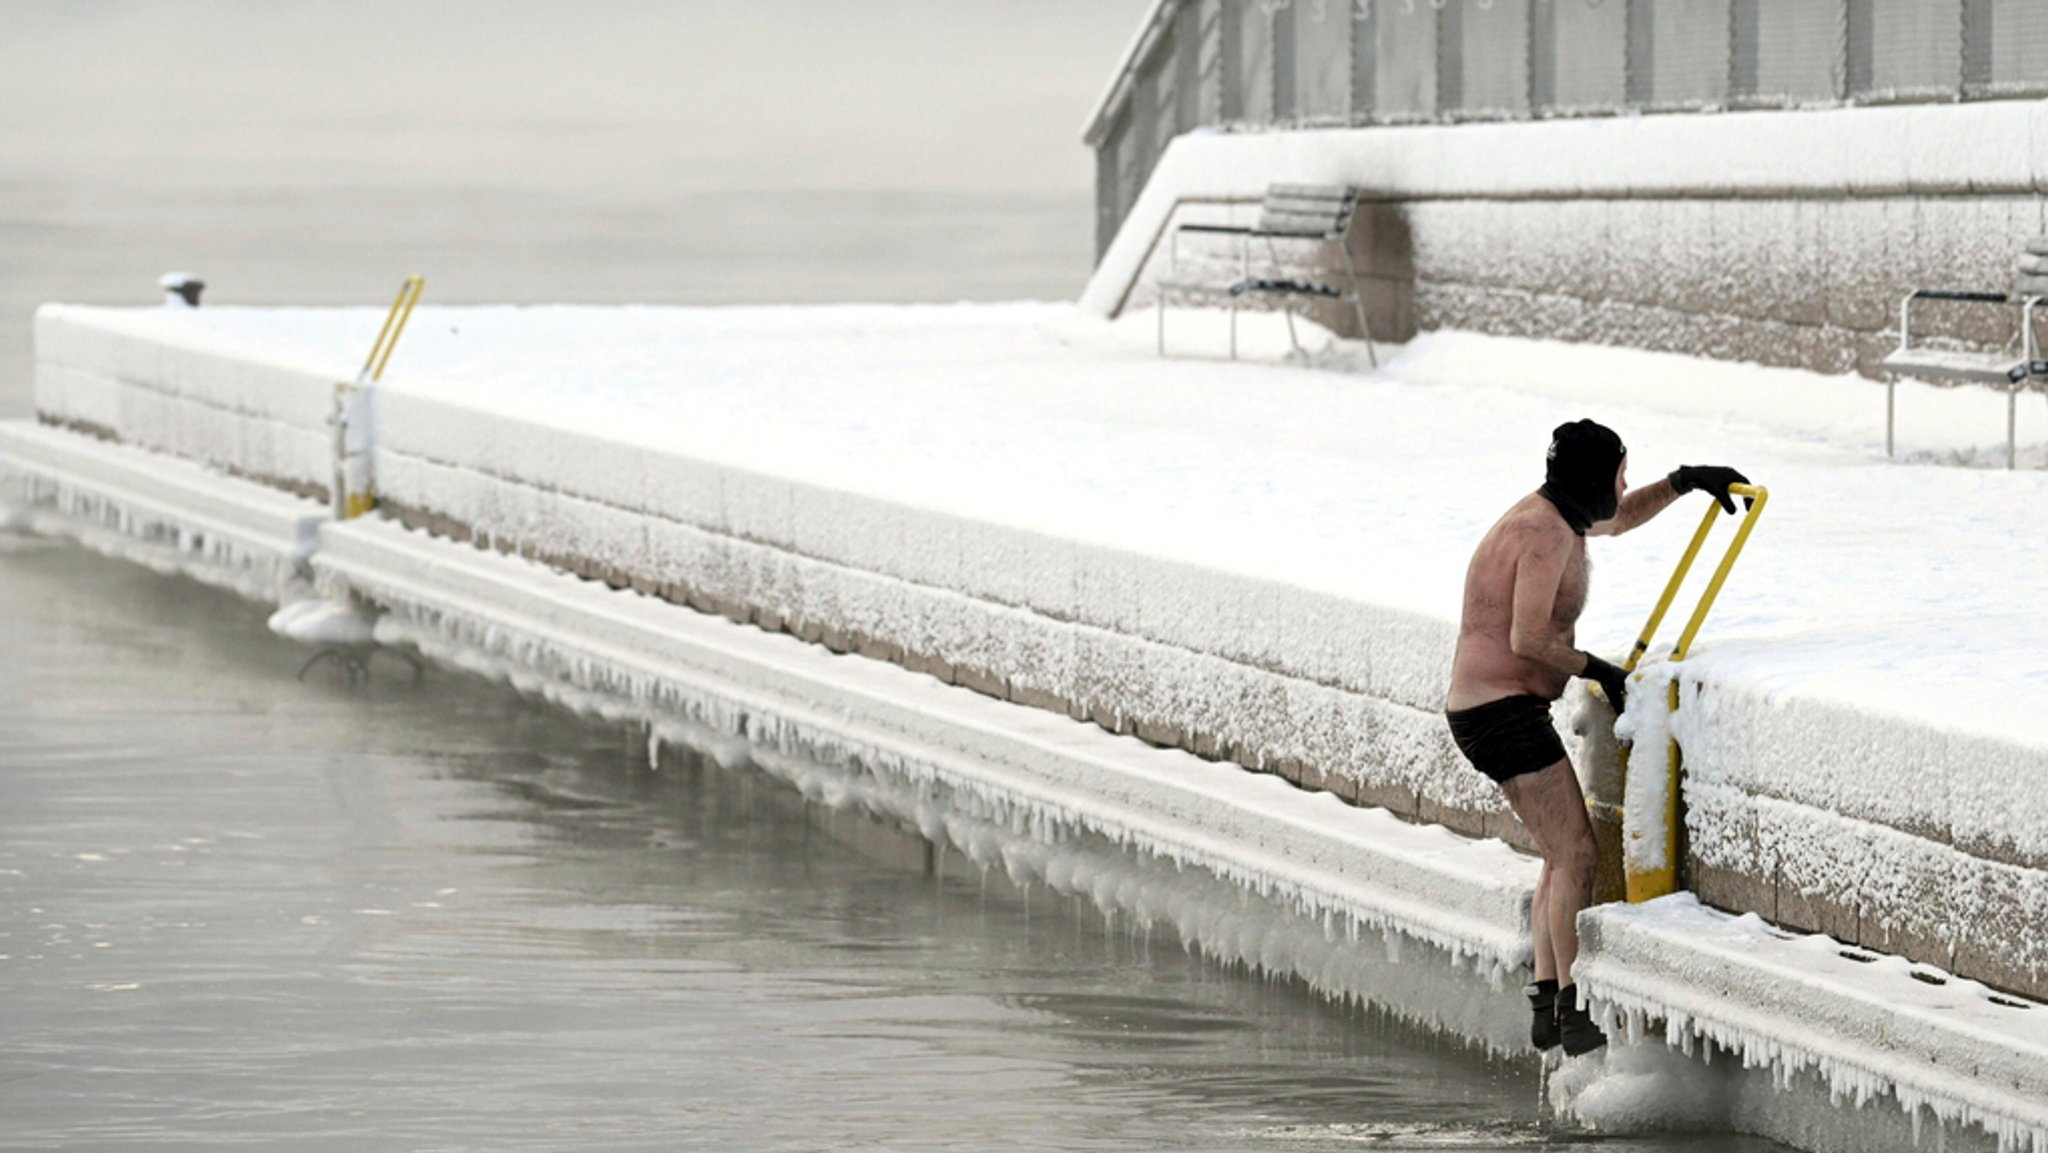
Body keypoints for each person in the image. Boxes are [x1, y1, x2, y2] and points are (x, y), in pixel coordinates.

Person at [1445, 419, 1747, 1056]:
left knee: (1560, 855)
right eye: (1619, 473)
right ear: (1592, 478)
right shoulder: (1542, 533)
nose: (1625, 485)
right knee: (1577, 855)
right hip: (1499, 713)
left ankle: (1548, 1001)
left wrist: (1686, 483)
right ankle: (1571, 1005)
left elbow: (1620, 517)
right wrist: (1599, 671)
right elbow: (1527, 642)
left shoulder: (1560, 516)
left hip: (1502, 709)